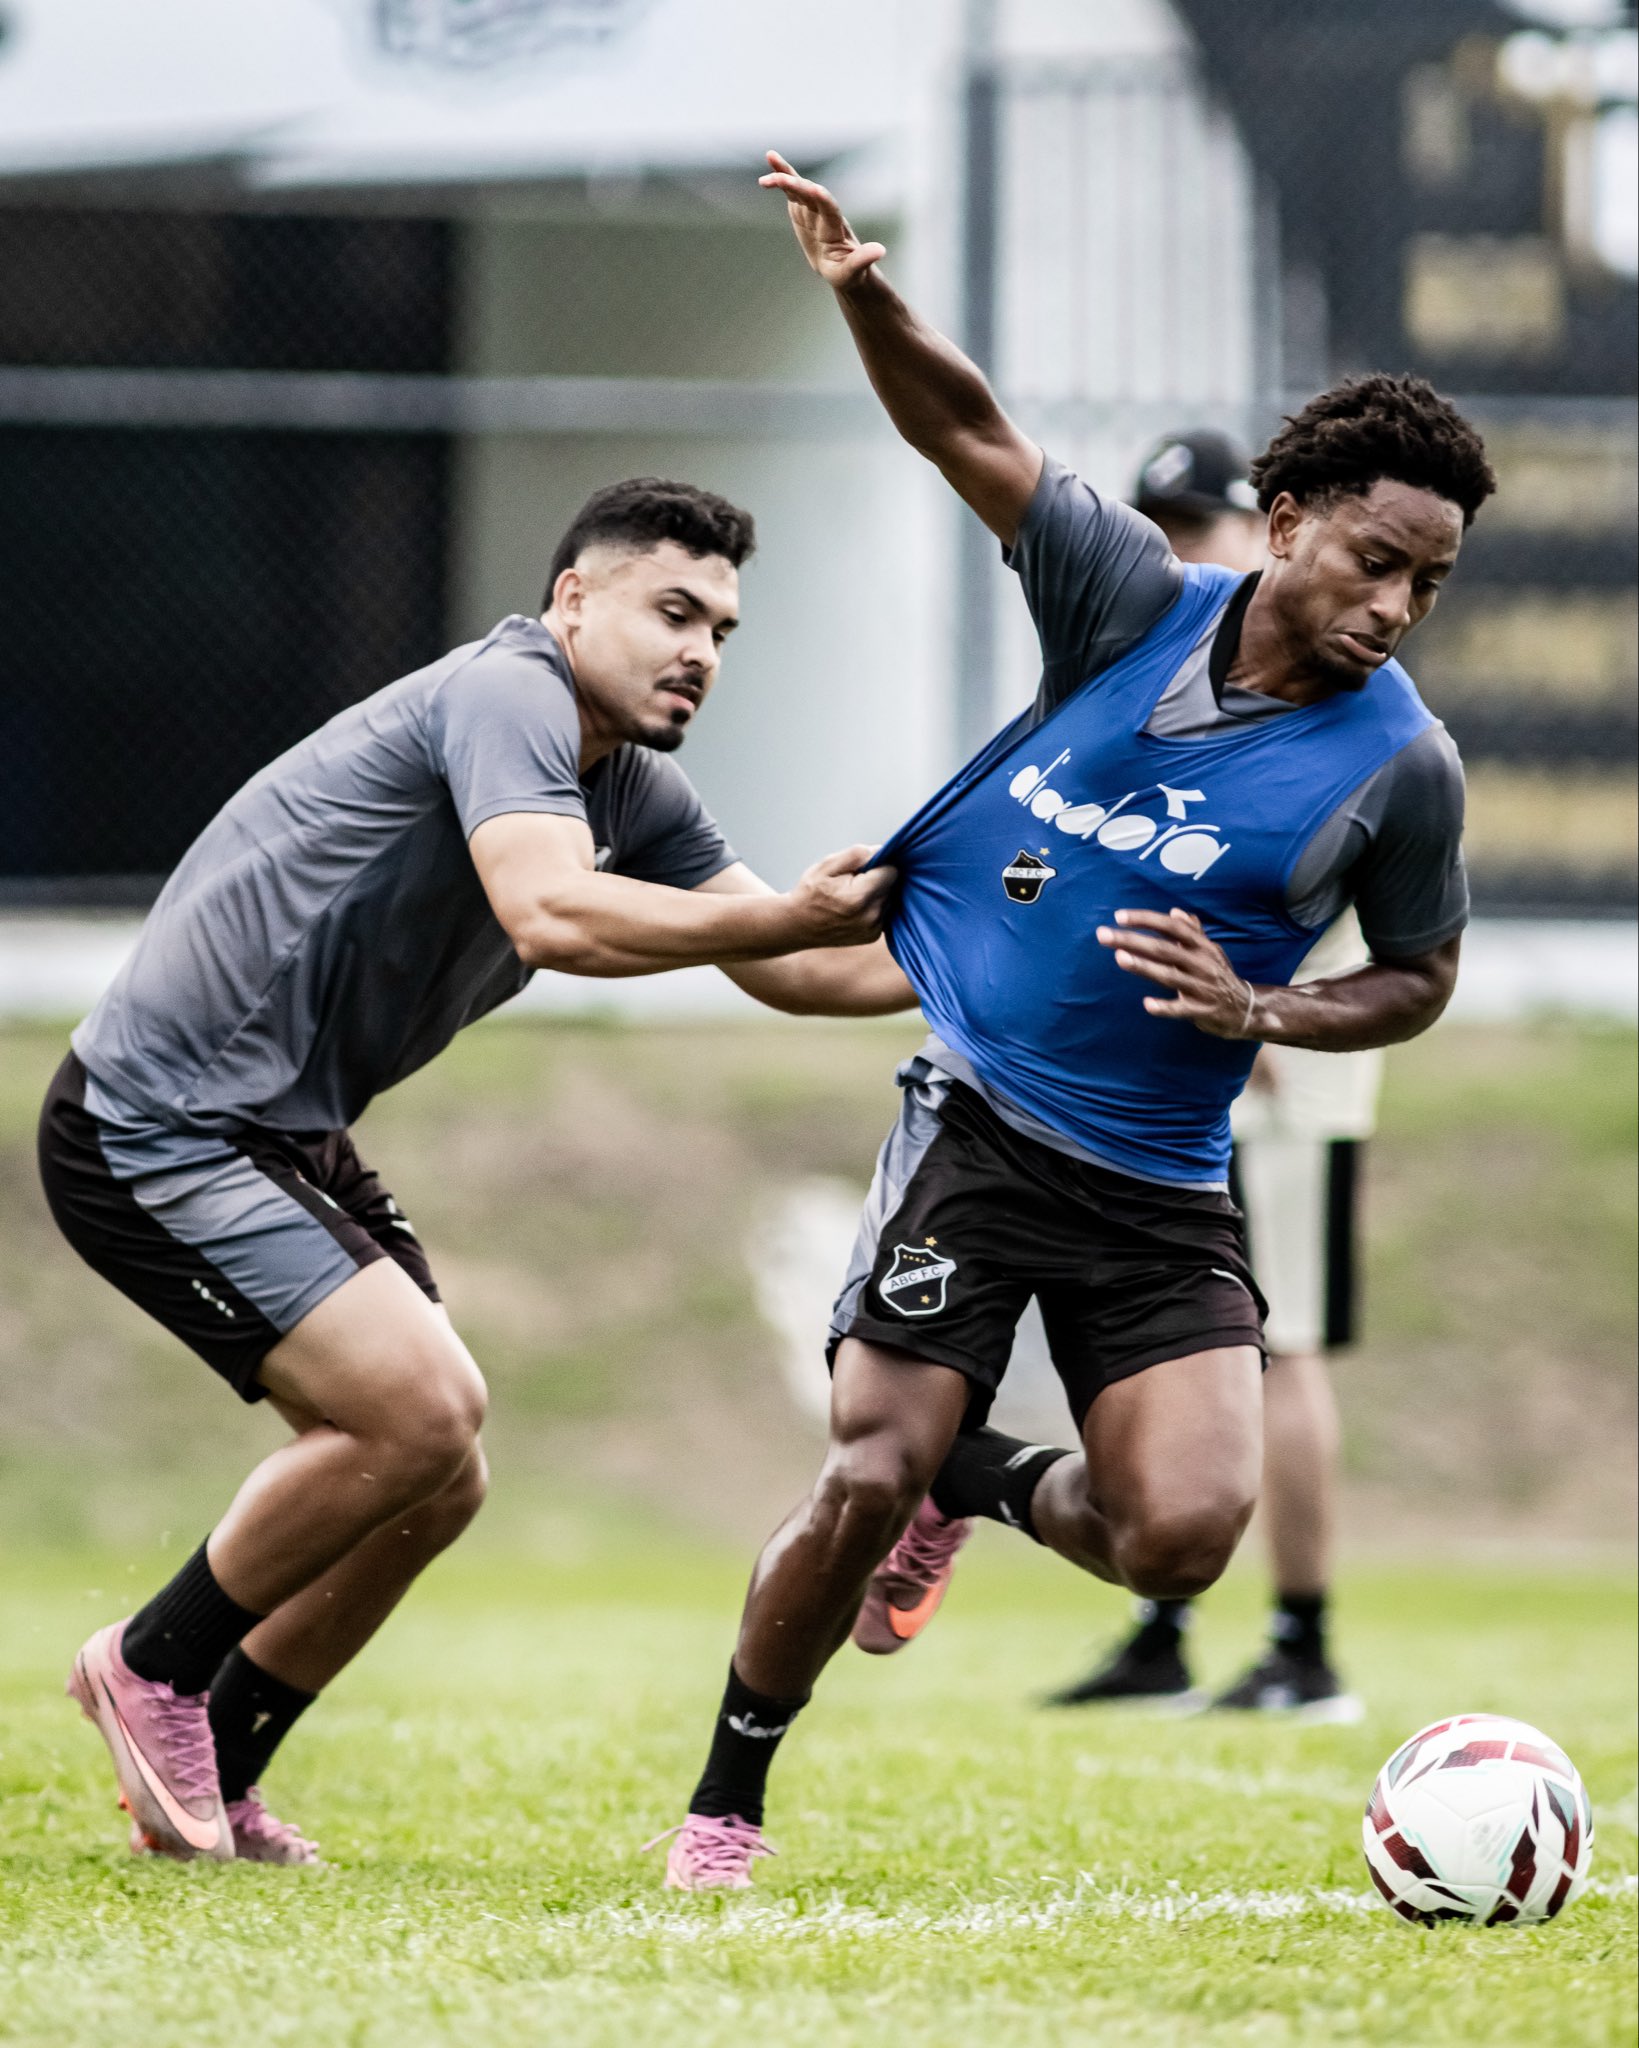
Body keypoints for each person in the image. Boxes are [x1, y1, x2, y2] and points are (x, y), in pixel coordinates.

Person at [647, 154, 1490, 1892]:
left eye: (1426, 584)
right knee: (861, 1468)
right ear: (1282, 522)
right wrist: (865, 296)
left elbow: (1417, 975)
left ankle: (970, 1475)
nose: (1391, 607)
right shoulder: (1124, 602)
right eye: (1371, 561)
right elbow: (964, 431)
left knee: (1175, 1540)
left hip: (1161, 1185)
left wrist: (1265, 1004)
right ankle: (724, 1804)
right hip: (975, 1127)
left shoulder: (1402, 767)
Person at [42, 476, 914, 1866]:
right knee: (418, 1411)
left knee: (437, 1474)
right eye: (671, 611)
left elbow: (800, 967)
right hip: (159, 1115)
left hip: (279, 1124)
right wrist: (786, 915)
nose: (698, 650)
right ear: (573, 600)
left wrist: (1013, 966)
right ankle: (154, 1665)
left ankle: (223, 1770)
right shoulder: (509, 692)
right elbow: (551, 911)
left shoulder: (632, 786)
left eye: (721, 630)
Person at [1046, 435, 1380, 1721]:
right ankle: (1164, 1625)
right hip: (1184, 1072)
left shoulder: (1330, 673)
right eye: (1165, 525)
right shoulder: (1189, 668)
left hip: (1283, 1073)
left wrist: (1272, 1026)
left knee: (1276, 1347)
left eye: (1205, 524)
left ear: (1272, 532)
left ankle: (1303, 1646)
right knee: (1167, 1341)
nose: (1181, 549)